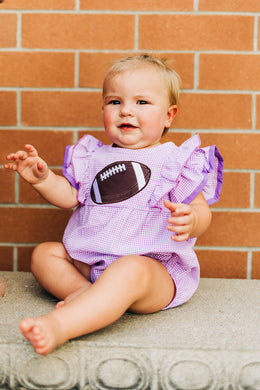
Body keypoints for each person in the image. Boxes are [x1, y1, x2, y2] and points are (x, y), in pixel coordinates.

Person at [5, 55, 223, 355]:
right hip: (93, 264)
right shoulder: (94, 156)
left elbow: (202, 211)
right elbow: (69, 197)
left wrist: (193, 219)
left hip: (151, 272)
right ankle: (93, 298)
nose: (127, 111)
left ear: (169, 116)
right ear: (104, 108)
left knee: (129, 268)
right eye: (115, 102)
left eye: (142, 103)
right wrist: (42, 180)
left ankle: (61, 325)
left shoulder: (175, 161)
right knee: (45, 254)